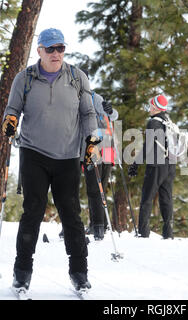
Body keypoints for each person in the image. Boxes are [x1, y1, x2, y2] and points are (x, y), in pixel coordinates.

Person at [2, 28, 98, 294]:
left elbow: (88, 113)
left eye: (60, 48)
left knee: (71, 214)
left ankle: (79, 274)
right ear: (40, 51)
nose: (56, 54)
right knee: (32, 210)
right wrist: (9, 122)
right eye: (51, 49)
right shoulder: (25, 79)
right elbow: (12, 109)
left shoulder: (78, 78)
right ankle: (22, 274)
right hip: (33, 153)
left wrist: (92, 139)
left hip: (68, 155)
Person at [58, 70, 119, 241]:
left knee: (95, 188)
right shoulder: (66, 99)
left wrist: (110, 110)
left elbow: (113, 115)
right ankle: (70, 226)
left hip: (99, 147)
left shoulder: (94, 98)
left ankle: (98, 226)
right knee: (69, 188)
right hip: (75, 148)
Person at [128, 95, 176, 239]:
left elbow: (148, 146)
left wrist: (135, 163)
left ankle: (143, 233)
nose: (149, 108)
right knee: (166, 198)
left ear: (155, 108)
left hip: (156, 164)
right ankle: (168, 233)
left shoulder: (153, 123)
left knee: (147, 198)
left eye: (150, 106)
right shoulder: (169, 122)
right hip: (171, 164)